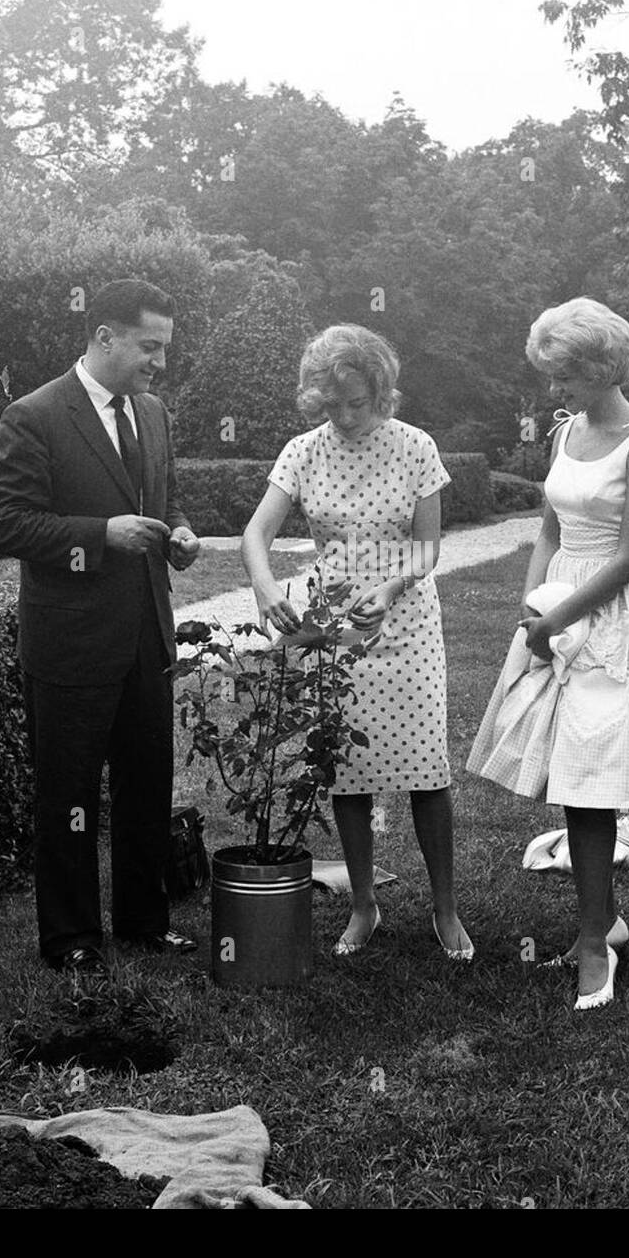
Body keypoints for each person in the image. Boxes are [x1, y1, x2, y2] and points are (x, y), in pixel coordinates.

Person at [467, 298, 629, 1010]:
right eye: (551, 376)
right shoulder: (566, 432)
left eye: (564, 376)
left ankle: (596, 946)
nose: (554, 391)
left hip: (612, 615)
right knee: (568, 780)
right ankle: (597, 926)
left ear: (602, 368)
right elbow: (549, 526)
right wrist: (533, 604)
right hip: (557, 607)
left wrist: (563, 616)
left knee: (594, 779)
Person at [0, 279, 202, 973]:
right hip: (71, 643)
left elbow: (166, 497)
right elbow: (3, 523)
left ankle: (143, 921)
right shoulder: (35, 414)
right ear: (104, 336)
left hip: (147, 636)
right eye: (149, 346)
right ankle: (72, 939)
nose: (159, 361)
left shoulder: (155, 413)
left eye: (163, 347)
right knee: (69, 796)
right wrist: (101, 533)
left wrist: (183, 532)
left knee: (145, 786)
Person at [241, 324, 474, 960]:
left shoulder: (415, 447)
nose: (344, 417)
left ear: (381, 393)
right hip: (332, 623)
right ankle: (363, 904)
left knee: (428, 770)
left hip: (406, 621)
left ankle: (445, 910)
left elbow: (426, 547)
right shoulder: (302, 452)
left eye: (357, 404)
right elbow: (255, 534)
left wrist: (394, 586)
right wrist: (266, 591)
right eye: (332, 404)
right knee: (347, 770)